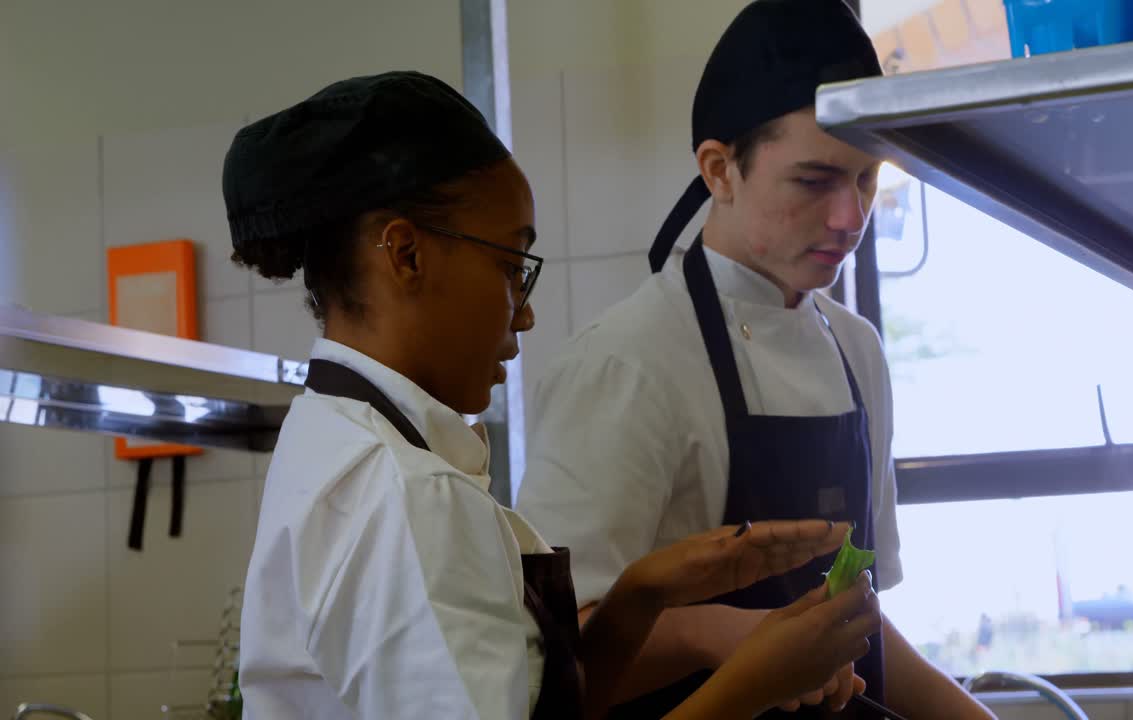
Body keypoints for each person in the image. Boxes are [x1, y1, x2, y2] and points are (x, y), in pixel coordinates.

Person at [224, 71, 884, 720]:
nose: (525, 316)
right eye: (512, 268)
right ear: (406, 255)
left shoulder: (336, 440)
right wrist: (752, 685)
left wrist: (638, 596)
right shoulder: (409, 495)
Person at [515, 2, 997, 718]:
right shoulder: (627, 363)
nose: (849, 217)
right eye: (813, 181)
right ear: (719, 170)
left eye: (866, 180)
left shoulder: (856, 350)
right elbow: (552, 661)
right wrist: (725, 635)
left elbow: (851, 612)